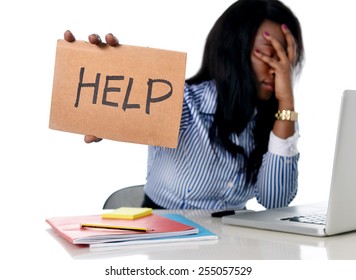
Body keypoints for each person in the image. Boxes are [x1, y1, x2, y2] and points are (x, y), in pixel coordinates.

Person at [64, 0, 304, 210]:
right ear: (233, 52)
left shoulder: (280, 121)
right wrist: (103, 77)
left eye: (286, 59)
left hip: (233, 245)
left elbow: (276, 201)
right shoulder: (183, 103)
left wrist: (287, 102)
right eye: (268, 55)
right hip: (168, 240)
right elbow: (130, 107)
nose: (279, 70)